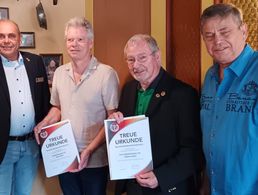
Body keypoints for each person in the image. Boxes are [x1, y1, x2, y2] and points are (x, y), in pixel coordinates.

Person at [34, 17, 119, 195]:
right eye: (70, 39)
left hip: (95, 160)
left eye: (80, 39)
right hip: (65, 155)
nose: (74, 44)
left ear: (90, 43)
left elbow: (112, 120)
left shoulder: (106, 74)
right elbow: (57, 108)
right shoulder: (59, 72)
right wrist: (44, 122)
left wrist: (88, 150)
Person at [110, 34, 202, 195]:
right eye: (130, 60)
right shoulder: (128, 90)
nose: (135, 65)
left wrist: (160, 176)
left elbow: (193, 151)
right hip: (133, 187)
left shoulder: (183, 94)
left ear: (157, 56)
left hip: (167, 187)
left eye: (142, 58)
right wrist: (115, 123)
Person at [200, 3, 258, 195]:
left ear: (244, 31)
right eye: (209, 36)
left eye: (225, 32)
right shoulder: (209, 76)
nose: (217, 41)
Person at [0, 19, 50, 195]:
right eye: (1, 36)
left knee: (24, 192)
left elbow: (45, 101)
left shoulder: (35, 62)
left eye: (11, 36)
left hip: (30, 145)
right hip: (3, 147)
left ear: (19, 39)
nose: (6, 40)